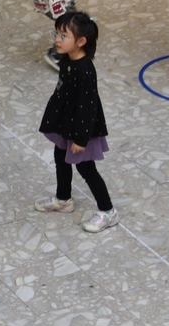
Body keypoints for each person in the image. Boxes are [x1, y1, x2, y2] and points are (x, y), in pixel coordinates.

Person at [35, 12, 118, 233]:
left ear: (81, 42)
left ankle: (108, 211)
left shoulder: (84, 70)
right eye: (56, 34)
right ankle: (63, 199)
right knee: (60, 158)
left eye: (63, 36)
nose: (56, 39)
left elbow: (88, 107)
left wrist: (81, 139)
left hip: (82, 130)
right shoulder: (67, 61)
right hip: (66, 124)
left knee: (86, 168)